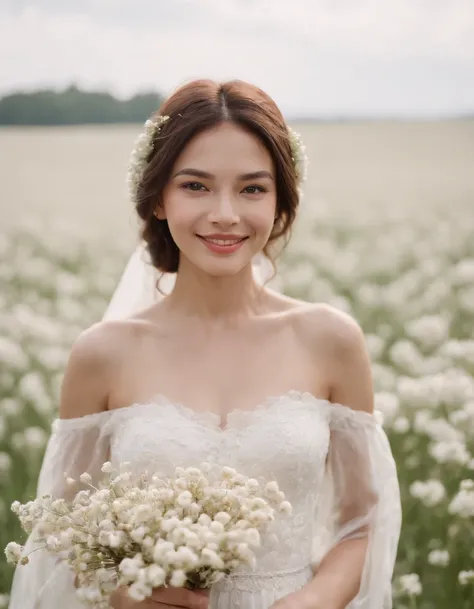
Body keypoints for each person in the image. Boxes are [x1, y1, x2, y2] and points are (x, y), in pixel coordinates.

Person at [8, 78, 401, 609]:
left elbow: (363, 522)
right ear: (159, 200)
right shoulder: (102, 355)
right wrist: (131, 597)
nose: (225, 213)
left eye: (252, 188)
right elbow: (64, 539)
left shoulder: (331, 341)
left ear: (281, 202)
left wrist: (310, 602)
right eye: (195, 186)